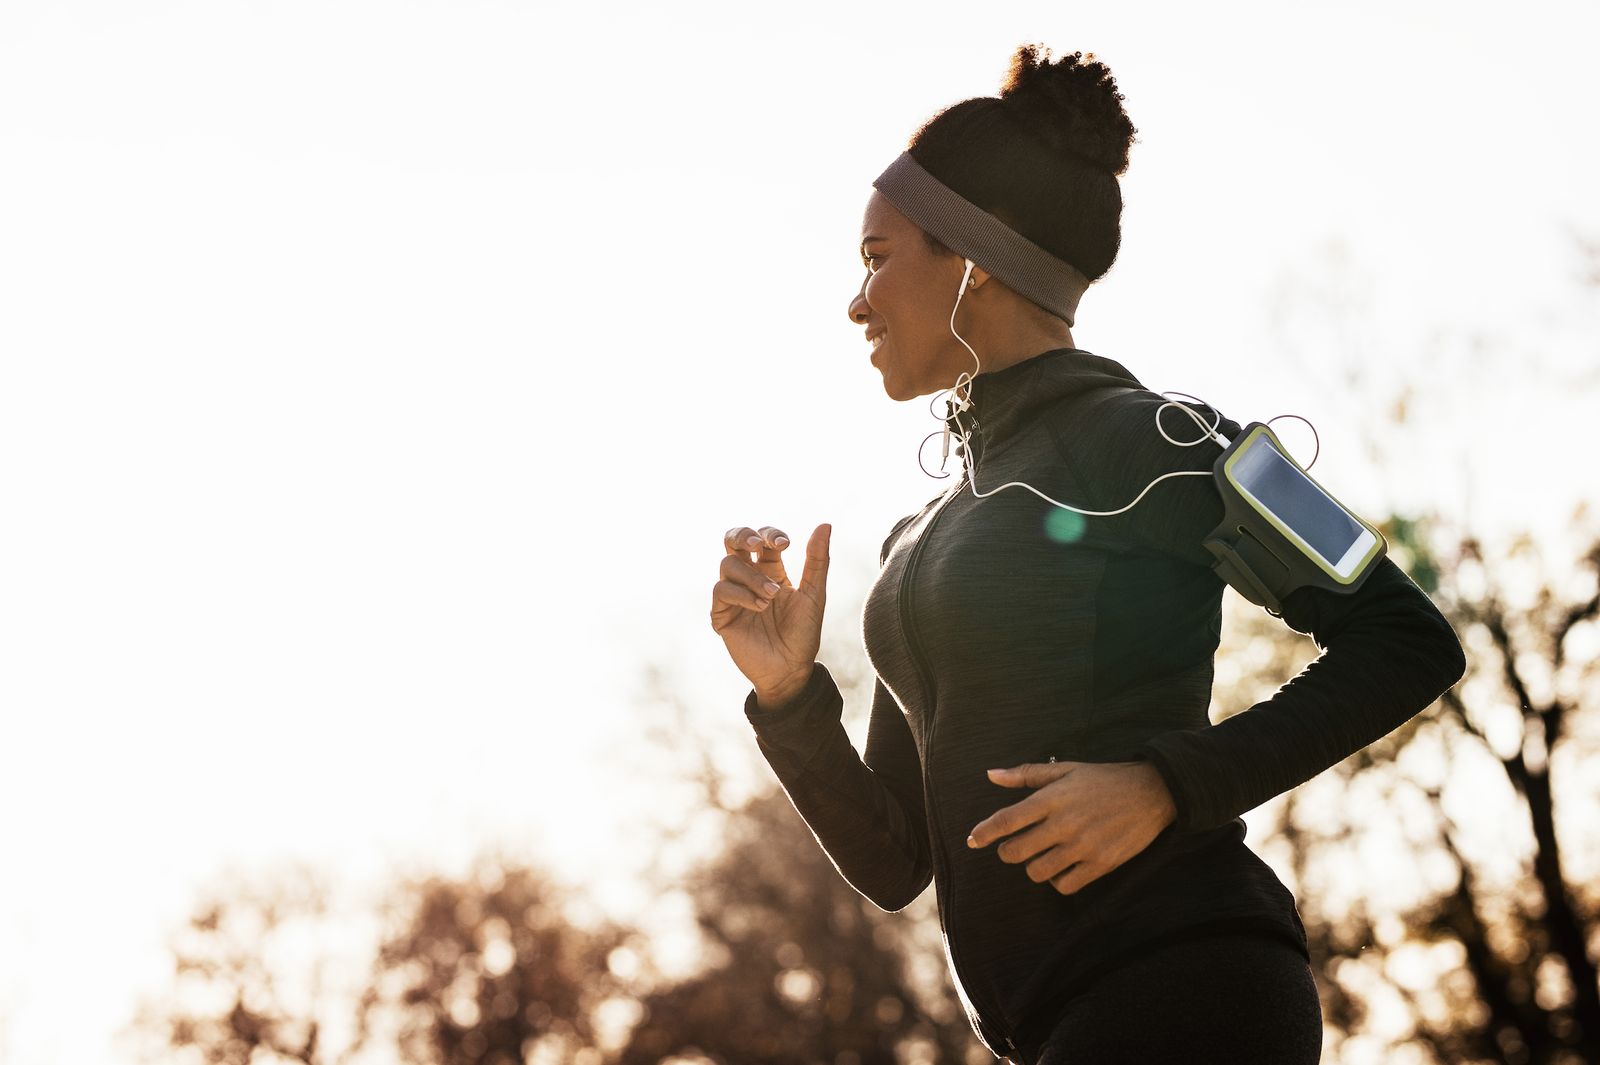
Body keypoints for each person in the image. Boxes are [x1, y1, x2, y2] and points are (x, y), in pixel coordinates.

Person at [708, 44, 1466, 1065]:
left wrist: (1167, 782)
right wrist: (790, 695)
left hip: (1190, 985)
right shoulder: (916, 540)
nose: (857, 300)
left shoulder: (1161, 440)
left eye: (877, 257)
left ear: (974, 259)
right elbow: (895, 860)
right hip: (1057, 1024)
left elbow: (1407, 637)